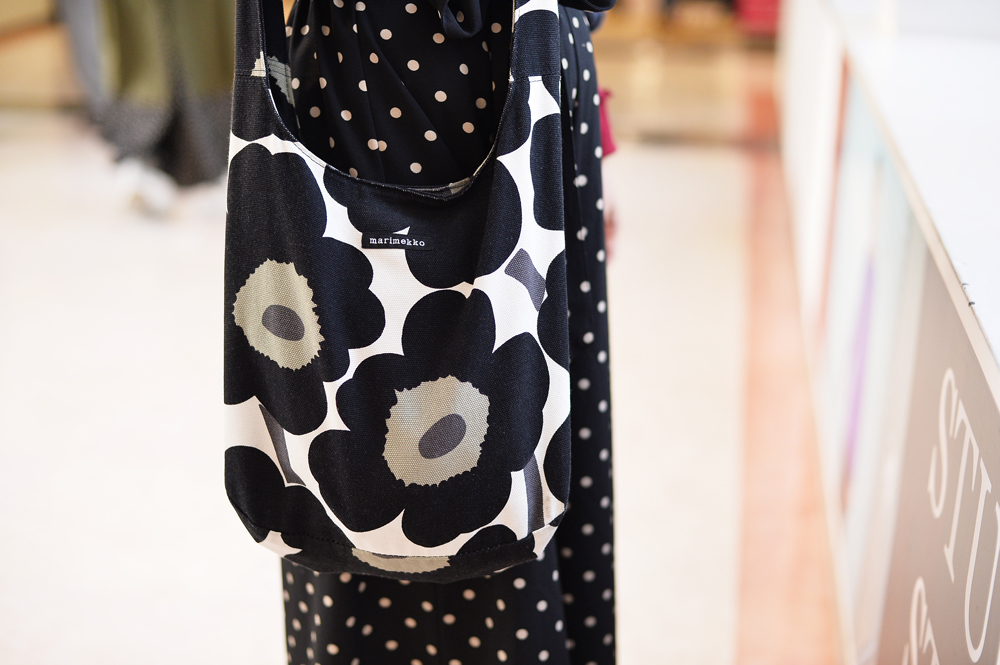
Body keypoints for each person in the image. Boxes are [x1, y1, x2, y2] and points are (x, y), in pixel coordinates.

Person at [275, 1, 617, 663]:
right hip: (396, 74)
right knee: (407, 460)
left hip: (478, 73)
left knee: (476, 444)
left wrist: (589, 118)